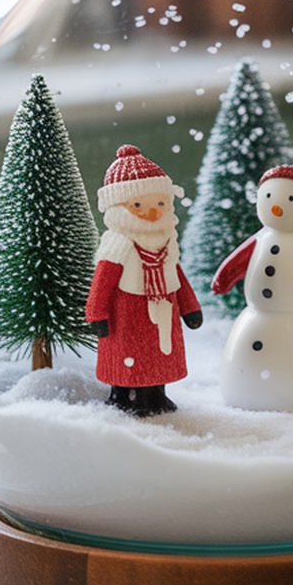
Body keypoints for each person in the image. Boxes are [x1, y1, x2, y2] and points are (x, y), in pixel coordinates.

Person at [86, 145, 202, 416]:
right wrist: (96, 313)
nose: (153, 213)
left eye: (160, 203)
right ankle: (123, 396)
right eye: (138, 205)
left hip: (163, 311)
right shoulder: (118, 243)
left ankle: (157, 395)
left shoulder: (167, 240)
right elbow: (102, 281)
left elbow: (177, 275)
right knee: (127, 359)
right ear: (118, 207)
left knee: (159, 356)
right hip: (126, 315)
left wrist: (190, 307)